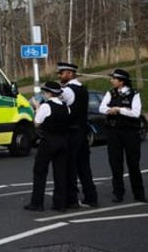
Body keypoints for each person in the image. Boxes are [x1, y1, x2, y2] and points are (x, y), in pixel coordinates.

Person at [55, 62, 98, 208]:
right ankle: (91, 197)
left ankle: (71, 199)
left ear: (70, 73)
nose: (59, 76)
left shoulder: (67, 91)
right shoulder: (82, 88)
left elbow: (58, 106)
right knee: (84, 166)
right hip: (82, 130)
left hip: (72, 132)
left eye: (62, 73)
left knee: (70, 166)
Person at [100, 69, 145, 203]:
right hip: (114, 132)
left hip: (130, 132)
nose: (111, 81)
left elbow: (135, 113)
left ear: (121, 81)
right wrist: (111, 110)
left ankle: (139, 193)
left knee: (133, 163)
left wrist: (119, 109)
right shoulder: (110, 93)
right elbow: (102, 108)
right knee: (115, 163)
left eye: (114, 79)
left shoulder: (134, 94)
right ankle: (118, 193)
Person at [24, 81, 70, 212]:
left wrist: (37, 107)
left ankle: (37, 203)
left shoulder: (46, 106)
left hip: (49, 141)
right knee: (60, 173)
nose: (44, 94)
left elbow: (37, 123)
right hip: (63, 141)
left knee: (40, 171)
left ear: (49, 93)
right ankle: (60, 203)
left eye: (45, 92)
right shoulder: (66, 107)